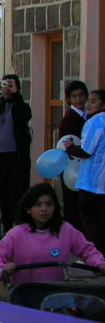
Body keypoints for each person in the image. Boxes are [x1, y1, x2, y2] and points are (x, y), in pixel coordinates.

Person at [0, 182, 105, 286]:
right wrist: (1, 269)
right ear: (28, 209)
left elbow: (87, 250)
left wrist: (99, 264)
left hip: (56, 294)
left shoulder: (66, 229)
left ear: (55, 207)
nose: (44, 209)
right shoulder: (17, 234)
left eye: (49, 204)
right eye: (38, 205)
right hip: (24, 295)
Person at [0, 74, 33, 232]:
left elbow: (24, 116)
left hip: (16, 157)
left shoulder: (19, 106)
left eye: (11, 85)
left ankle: (20, 228)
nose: (7, 89)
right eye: (5, 85)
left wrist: (16, 94)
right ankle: (7, 227)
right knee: (3, 195)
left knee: (17, 195)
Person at [65, 90, 105, 250]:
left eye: (93, 101)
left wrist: (70, 147)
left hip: (92, 180)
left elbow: (86, 151)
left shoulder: (95, 121)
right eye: (88, 100)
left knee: (90, 219)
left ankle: (95, 255)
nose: (88, 104)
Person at [57, 81, 89, 231]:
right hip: (72, 165)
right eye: (74, 96)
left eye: (81, 95)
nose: (79, 99)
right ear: (69, 99)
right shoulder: (69, 119)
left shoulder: (89, 116)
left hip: (84, 165)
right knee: (72, 203)